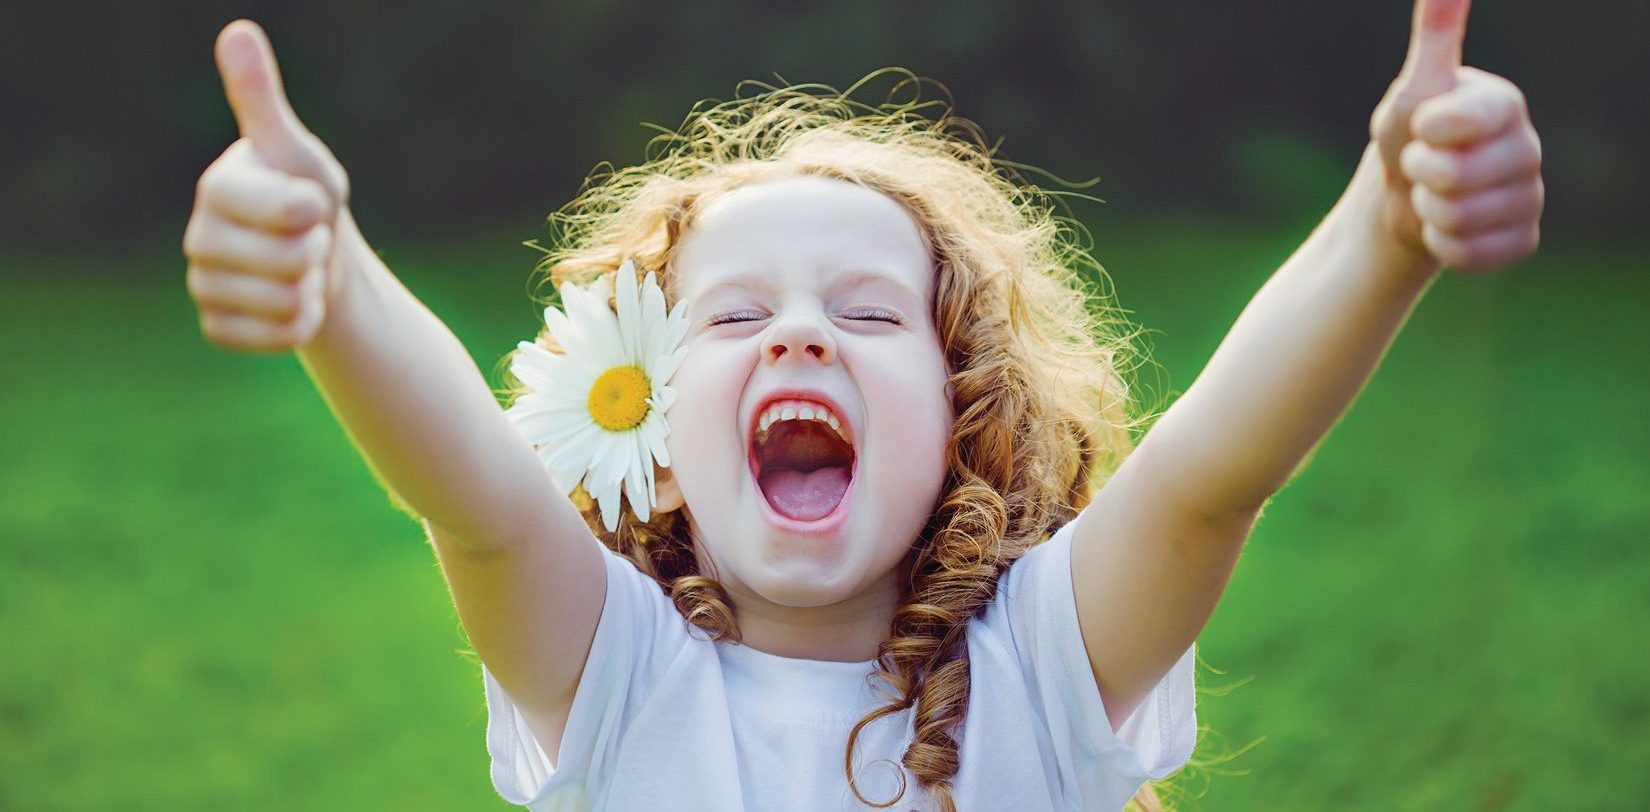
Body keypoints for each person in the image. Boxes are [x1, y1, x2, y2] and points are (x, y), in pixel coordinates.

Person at [180, 2, 1543, 808]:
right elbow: (472, 501)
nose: (797, 336)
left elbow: (1209, 473)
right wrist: (333, 278)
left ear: (963, 419)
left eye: (870, 313)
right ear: (651, 443)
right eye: (731, 314)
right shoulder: (618, 682)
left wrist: (1384, 225)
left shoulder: (1044, 670)